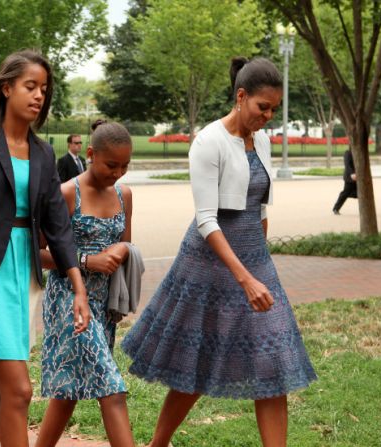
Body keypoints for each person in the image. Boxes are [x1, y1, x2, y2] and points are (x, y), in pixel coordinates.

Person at [121, 57, 317, 447]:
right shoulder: (208, 142)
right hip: (209, 264)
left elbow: (259, 207)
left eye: (274, 109)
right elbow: (207, 220)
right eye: (263, 107)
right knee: (196, 364)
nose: (269, 116)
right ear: (241, 97)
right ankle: (157, 444)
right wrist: (244, 278)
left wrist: (261, 263)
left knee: (273, 361)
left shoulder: (262, 139)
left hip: (254, 260)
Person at [0, 49, 91, 447]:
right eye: (30, 86)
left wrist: (78, 288)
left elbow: (57, 226)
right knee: (19, 391)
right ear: (6, 87)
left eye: (44, 89)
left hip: (24, 277)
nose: (38, 96)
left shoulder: (43, 151)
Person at [36, 120, 135, 447]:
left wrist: (121, 248)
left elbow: (127, 245)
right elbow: (35, 254)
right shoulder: (66, 194)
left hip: (103, 304)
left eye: (125, 165)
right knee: (112, 388)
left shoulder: (124, 194)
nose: (118, 172)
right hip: (68, 300)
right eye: (111, 164)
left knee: (69, 392)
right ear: (90, 154)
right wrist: (85, 260)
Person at [332, 147, 357, 214]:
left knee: (360, 194)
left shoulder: (359, 152)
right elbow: (347, 165)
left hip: (359, 177)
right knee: (346, 193)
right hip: (350, 177)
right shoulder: (348, 153)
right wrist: (352, 173)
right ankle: (336, 208)